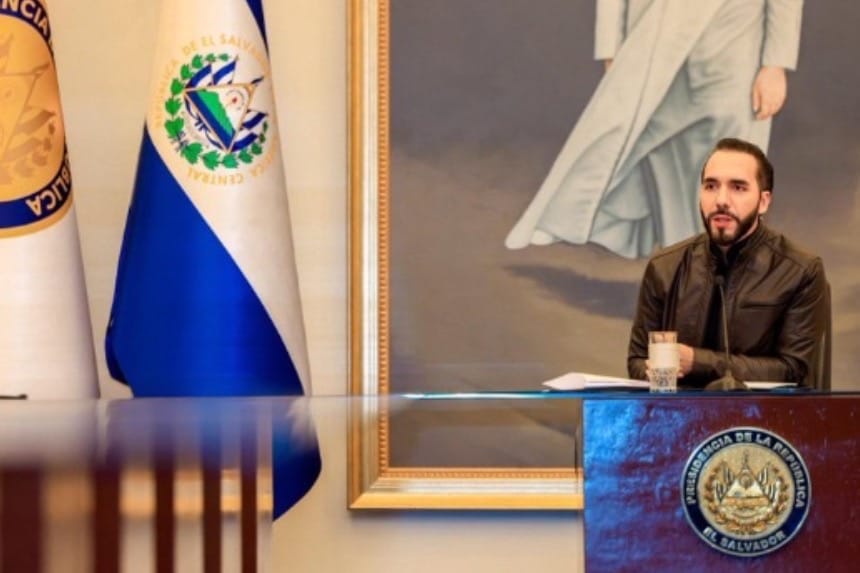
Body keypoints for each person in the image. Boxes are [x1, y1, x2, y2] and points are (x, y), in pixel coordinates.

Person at [505, 0, 803, 259]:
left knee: (733, 171)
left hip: (734, 47)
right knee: (655, 169)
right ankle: (567, 217)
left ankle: (725, 284)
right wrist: (611, 46)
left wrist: (775, 64)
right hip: (655, 43)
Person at [627, 138, 828, 388]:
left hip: (759, 412)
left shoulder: (799, 271)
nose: (721, 200)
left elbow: (792, 370)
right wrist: (656, 371)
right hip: (678, 411)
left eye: (738, 188)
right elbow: (637, 361)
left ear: (763, 201)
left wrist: (698, 362)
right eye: (711, 186)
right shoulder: (664, 267)